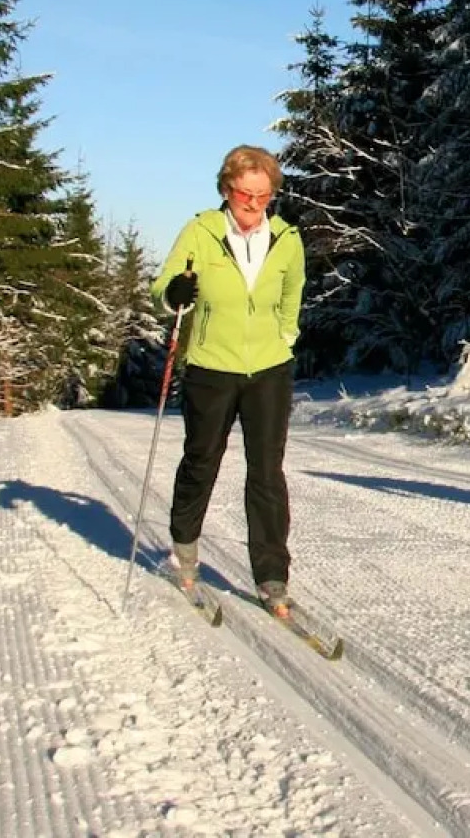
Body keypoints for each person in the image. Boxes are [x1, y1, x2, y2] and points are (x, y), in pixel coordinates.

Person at [151, 145, 306, 615]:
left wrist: (284, 335)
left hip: (268, 369)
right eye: (245, 193)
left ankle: (272, 576)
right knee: (202, 460)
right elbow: (165, 287)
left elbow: (291, 294)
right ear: (227, 188)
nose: (253, 204)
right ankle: (185, 548)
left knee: (266, 473)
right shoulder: (200, 232)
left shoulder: (287, 239)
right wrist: (174, 293)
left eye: (263, 196)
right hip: (210, 367)